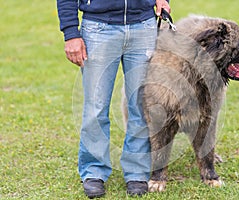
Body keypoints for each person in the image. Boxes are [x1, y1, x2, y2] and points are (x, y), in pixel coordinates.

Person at [56, 0, 171, 198]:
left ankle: (137, 172)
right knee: (96, 107)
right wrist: (71, 33)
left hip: (144, 27)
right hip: (98, 29)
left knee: (141, 106)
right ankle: (93, 172)